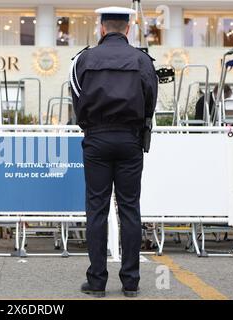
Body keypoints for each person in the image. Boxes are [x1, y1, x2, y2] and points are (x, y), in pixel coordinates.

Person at [69, 6, 158, 298]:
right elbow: (150, 101)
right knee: (129, 208)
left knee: (97, 208)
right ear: (129, 29)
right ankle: (130, 282)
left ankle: (97, 282)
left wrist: (93, 124)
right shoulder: (142, 60)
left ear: (102, 28)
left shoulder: (84, 59)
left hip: (96, 139)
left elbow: (76, 99)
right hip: (130, 139)